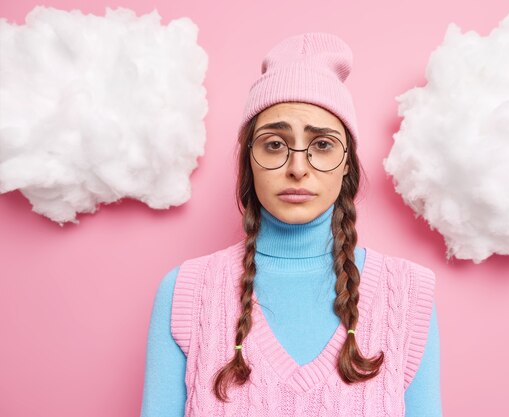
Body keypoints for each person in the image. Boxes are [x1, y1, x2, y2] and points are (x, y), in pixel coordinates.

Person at [140, 32, 442, 416]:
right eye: (274, 144)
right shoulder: (185, 291)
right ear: (248, 158)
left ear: (347, 161)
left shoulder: (408, 294)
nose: (297, 168)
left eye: (322, 145)